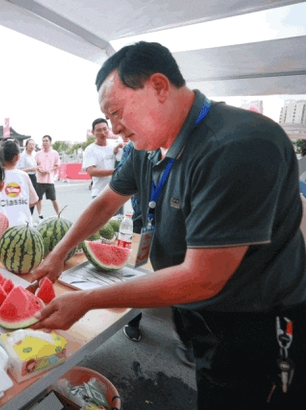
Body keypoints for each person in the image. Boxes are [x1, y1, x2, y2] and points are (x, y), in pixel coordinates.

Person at [31, 41, 306, 409]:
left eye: (116, 112)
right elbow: (105, 203)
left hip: (253, 324)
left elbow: (202, 277)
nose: (113, 129)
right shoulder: (146, 148)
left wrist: (87, 301)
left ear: (159, 87)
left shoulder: (238, 145)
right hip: (198, 313)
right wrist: (58, 252)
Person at [0, 139, 38, 226]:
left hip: (2, 227)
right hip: (24, 227)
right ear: (17, 157)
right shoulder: (24, 175)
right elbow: (34, 200)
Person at [82, 118, 121, 199]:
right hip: (99, 194)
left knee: (119, 212)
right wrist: (115, 171)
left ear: (108, 129)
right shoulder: (90, 150)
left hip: (117, 193)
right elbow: (91, 171)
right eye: (99, 130)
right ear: (93, 133)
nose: (103, 133)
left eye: (105, 129)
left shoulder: (114, 147)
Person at [35, 135, 61, 220]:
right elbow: (35, 165)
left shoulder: (55, 153)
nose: (45, 143)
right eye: (43, 141)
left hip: (50, 180)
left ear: (50, 142)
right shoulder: (38, 154)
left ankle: (59, 214)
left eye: (46, 141)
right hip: (39, 180)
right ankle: (40, 215)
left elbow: (57, 165)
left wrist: (50, 170)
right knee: (38, 199)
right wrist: (39, 170)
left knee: (53, 198)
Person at [17, 138, 39, 215]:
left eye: (33, 144)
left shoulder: (34, 156)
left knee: (33, 197)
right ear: (26, 145)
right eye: (30, 144)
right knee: (26, 198)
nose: (31, 146)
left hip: (34, 177)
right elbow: (19, 170)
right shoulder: (23, 156)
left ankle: (31, 216)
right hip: (26, 177)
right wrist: (30, 169)